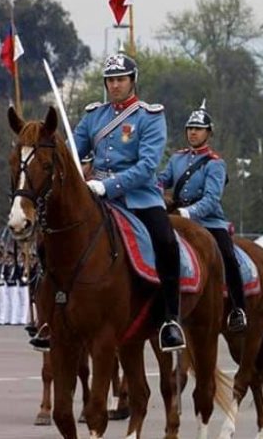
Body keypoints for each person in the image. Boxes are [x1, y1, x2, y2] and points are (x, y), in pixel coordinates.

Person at [73, 53, 185, 352]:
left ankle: (170, 319)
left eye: (120, 79)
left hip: (137, 196)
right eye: (110, 80)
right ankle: (52, 313)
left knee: (166, 242)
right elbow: (75, 150)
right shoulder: (93, 115)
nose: (115, 86)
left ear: (132, 81)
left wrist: (106, 186)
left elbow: (148, 166)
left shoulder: (149, 116)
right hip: (93, 193)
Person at [158, 102, 247, 333]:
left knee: (228, 256)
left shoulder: (216, 163)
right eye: (190, 128)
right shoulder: (177, 158)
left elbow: (212, 199)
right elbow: (163, 179)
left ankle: (238, 308)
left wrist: (187, 213)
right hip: (176, 216)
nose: (193, 132)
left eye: (198, 129)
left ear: (208, 133)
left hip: (208, 220)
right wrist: (154, 188)